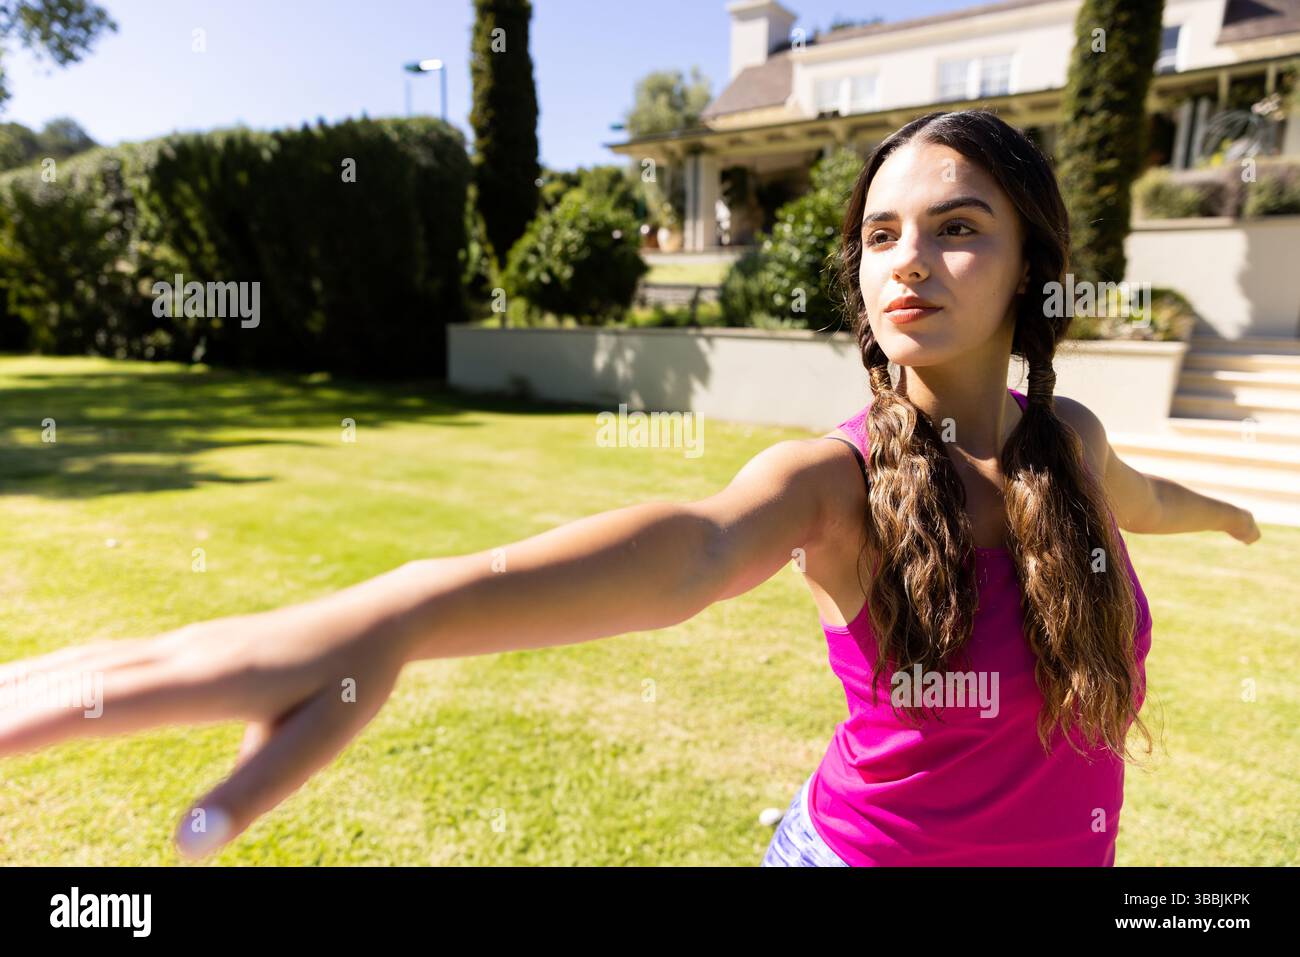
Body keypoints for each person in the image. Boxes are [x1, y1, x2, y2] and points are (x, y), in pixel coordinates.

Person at [0, 109, 1261, 865]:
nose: (907, 262)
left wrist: (1226, 514)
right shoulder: (831, 484)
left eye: (956, 227)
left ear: (1030, 262)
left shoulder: (1070, 444)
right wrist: (397, 618)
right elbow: (691, 549)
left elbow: (1137, 500)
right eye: (879, 234)